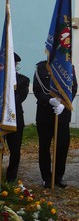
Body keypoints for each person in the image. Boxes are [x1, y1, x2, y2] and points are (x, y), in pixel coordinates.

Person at [33, 59, 78, 188]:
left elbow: (73, 88)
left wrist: (64, 104)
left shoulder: (68, 67)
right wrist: (49, 100)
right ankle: (46, 177)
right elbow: (37, 90)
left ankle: (58, 177)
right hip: (45, 114)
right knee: (44, 147)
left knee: (62, 147)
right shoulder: (41, 67)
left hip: (62, 114)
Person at [5, 54, 30, 184]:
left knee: (15, 150)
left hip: (15, 119)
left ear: (15, 65)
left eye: (11, 63)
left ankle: (11, 177)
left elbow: (19, 99)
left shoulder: (23, 80)